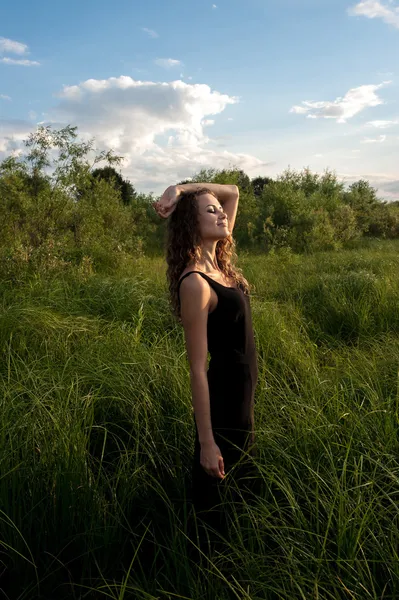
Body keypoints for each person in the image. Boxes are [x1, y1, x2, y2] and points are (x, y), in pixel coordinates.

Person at [153, 182, 259, 558]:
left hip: (242, 392)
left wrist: (181, 188)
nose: (220, 213)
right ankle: (206, 561)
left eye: (219, 210)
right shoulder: (196, 282)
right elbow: (197, 369)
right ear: (191, 225)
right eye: (209, 211)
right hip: (224, 396)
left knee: (238, 482)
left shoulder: (219, 264)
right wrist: (207, 441)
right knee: (216, 487)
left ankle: (230, 552)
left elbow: (231, 190)